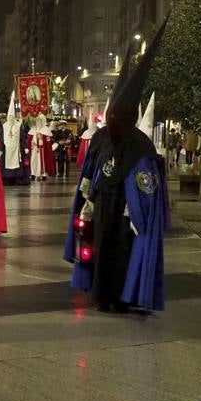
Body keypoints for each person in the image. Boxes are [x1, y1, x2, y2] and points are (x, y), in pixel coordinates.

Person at [66, 24, 169, 314]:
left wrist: (137, 213)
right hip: (102, 208)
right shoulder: (100, 138)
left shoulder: (141, 147)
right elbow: (90, 173)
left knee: (121, 255)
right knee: (99, 251)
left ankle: (122, 296)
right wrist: (86, 202)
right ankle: (100, 295)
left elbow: (146, 187)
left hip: (125, 215)